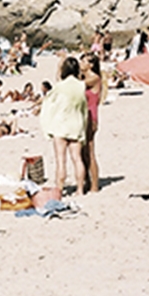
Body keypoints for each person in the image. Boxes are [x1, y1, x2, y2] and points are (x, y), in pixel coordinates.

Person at [39, 56, 88, 196]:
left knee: (61, 160)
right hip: (76, 123)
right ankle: (80, 189)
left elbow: (49, 102)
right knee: (77, 158)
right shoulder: (81, 85)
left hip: (61, 124)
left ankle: (59, 189)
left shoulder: (60, 86)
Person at [82, 53, 103, 193]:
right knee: (82, 152)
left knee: (89, 151)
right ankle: (87, 181)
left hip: (91, 116)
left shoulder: (94, 78)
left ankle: (94, 185)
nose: (80, 63)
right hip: (83, 116)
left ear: (91, 65)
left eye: (83, 61)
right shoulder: (84, 78)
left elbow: (75, 85)